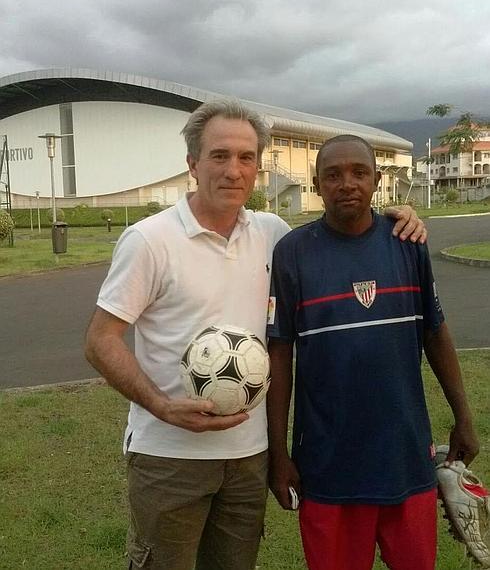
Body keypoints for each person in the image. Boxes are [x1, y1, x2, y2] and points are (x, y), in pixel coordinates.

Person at [85, 102, 426, 570]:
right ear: (192, 164)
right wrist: (161, 406)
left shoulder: (272, 234)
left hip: (249, 456)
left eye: (246, 157)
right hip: (170, 456)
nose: (234, 170)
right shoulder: (149, 240)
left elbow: (342, 229)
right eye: (219, 156)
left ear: (259, 167)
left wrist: (397, 214)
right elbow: (100, 340)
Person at [266, 134, 479, 570]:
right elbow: (280, 355)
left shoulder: (407, 242)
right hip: (327, 467)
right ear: (317, 183)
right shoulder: (293, 253)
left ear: (378, 179)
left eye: (359, 172)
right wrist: (279, 454)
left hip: (406, 459)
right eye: (333, 174)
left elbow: (435, 333)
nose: (347, 183)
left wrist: (464, 418)